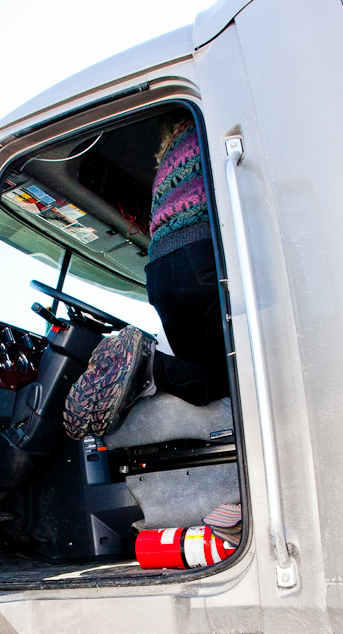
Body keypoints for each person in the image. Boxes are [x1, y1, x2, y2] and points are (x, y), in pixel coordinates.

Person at [63, 110, 229, 440]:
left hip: (162, 271)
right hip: (202, 256)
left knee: (210, 377)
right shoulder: (211, 121)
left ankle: (149, 368)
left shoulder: (169, 159)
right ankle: (147, 366)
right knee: (235, 378)